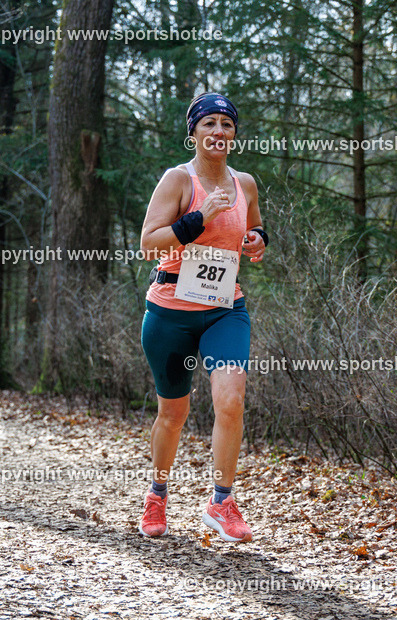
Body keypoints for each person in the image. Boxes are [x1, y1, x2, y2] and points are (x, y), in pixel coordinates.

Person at [138, 92, 268, 542]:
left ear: (235, 135)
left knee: (231, 400)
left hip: (224, 308)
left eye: (226, 125)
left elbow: (254, 228)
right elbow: (149, 243)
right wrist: (197, 218)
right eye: (208, 123)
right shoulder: (178, 180)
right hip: (171, 309)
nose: (218, 132)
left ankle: (221, 501)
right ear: (192, 131)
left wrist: (256, 241)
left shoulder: (244, 183)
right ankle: (157, 494)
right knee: (173, 413)